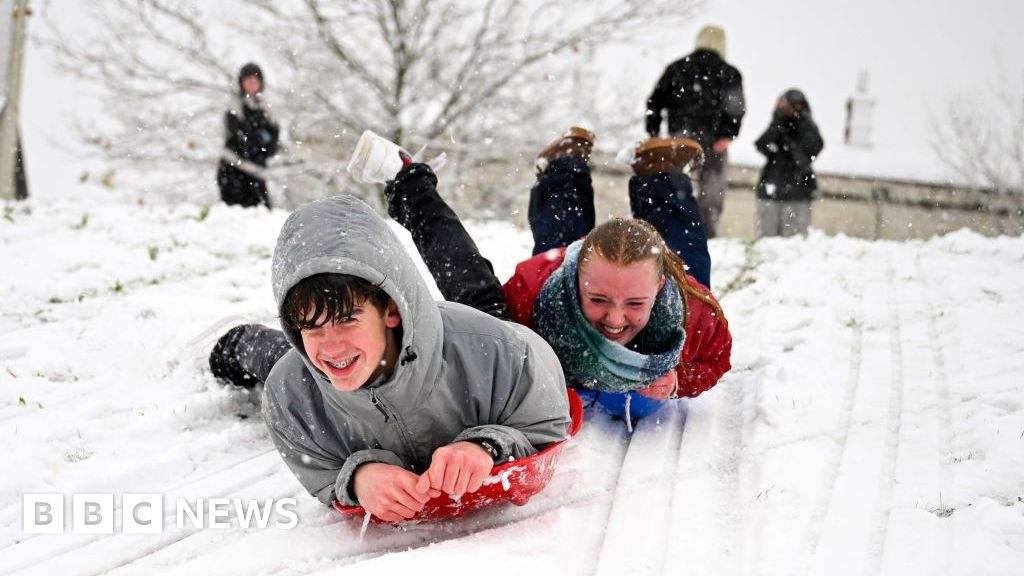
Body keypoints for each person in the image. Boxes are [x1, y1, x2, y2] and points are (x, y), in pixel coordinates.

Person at [208, 194, 572, 522]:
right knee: (277, 359)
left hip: (438, 342)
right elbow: (319, 472)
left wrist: (486, 446)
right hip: (310, 371)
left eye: (347, 318)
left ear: (391, 311)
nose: (331, 344)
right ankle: (238, 340)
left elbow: (547, 421)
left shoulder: (494, 350)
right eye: (310, 326)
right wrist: (359, 477)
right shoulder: (290, 393)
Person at [378, 127, 732, 422]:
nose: (615, 319)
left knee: (684, 259)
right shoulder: (536, 295)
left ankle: (661, 173)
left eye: (635, 303)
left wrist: (678, 379)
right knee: (559, 235)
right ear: (575, 277)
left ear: (658, 288)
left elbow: (717, 359)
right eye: (598, 299)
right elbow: (470, 288)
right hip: (562, 286)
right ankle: (563, 164)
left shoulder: (694, 313)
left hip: (654, 282)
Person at [646, 24, 745, 239]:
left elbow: (654, 101)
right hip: (714, 143)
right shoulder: (730, 73)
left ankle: (673, 233)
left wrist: (654, 133)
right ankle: (706, 237)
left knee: (679, 189)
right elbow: (736, 109)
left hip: (681, 140)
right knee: (711, 195)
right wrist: (726, 136)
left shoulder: (677, 68)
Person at [754, 89, 825, 237]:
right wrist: (779, 121)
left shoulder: (807, 127)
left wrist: (800, 121)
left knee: (794, 242)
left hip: (798, 190)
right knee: (767, 238)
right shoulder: (778, 124)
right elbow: (762, 145)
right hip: (772, 187)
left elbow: (811, 150)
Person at [216, 62, 279, 208]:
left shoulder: (265, 108)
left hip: (257, 173)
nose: (251, 83)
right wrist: (259, 140)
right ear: (241, 83)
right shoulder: (234, 107)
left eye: (255, 79)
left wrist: (263, 144)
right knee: (237, 217)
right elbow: (241, 139)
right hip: (233, 171)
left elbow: (273, 142)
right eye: (247, 79)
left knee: (263, 216)